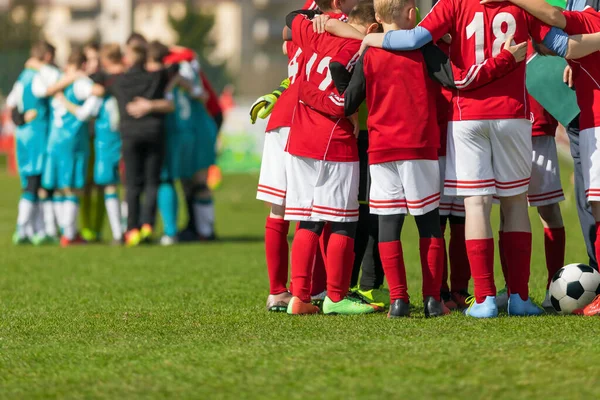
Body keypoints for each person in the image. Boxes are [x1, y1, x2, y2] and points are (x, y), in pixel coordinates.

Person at [359, 0, 600, 317]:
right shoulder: (522, 6)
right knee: (515, 203)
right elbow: (559, 44)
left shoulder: (453, 3)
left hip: (467, 115)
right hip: (512, 115)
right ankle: (519, 298)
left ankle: (485, 299)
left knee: (476, 204)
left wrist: (367, 37)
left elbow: (416, 38)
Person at [490, 0, 600, 315]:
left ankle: (551, 289)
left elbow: (555, 35)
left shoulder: (540, 10)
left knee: (551, 209)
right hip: (505, 124)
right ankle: (513, 290)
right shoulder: (478, 11)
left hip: (542, 125)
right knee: (508, 211)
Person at [284, 0, 382, 316]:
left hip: (299, 136)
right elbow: (341, 102)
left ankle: (300, 297)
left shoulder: (311, 29)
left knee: (308, 220)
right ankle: (336, 297)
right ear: (371, 29)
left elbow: (292, 17)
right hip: (332, 140)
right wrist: (349, 111)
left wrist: (302, 90)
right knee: (342, 219)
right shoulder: (359, 49)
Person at [93, 40, 176, 247]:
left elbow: (95, 79)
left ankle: (131, 229)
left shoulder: (119, 81)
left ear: (127, 59)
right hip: (154, 132)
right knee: (151, 182)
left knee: (132, 184)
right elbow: (176, 68)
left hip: (130, 134)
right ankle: (147, 225)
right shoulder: (157, 76)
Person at [42, 48, 98, 247]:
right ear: (83, 65)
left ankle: (58, 231)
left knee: (58, 188)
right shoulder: (82, 83)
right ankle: (70, 233)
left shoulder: (58, 79)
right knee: (73, 188)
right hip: (73, 140)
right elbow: (91, 104)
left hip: (54, 139)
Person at [7, 41, 60, 245]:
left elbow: (11, 104)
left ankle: (32, 229)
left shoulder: (23, 75)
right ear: (47, 56)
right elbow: (45, 90)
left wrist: (20, 119)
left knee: (30, 181)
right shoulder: (40, 76)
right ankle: (26, 228)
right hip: (38, 133)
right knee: (36, 182)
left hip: (23, 135)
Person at [80, 41, 107, 243]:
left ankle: (98, 227)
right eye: (90, 59)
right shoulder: (80, 83)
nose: (94, 64)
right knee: (85, 184)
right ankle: (85, 226)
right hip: (84, 138)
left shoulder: (106, 81)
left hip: (103, 138)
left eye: (97, 59)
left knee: (102, 184)